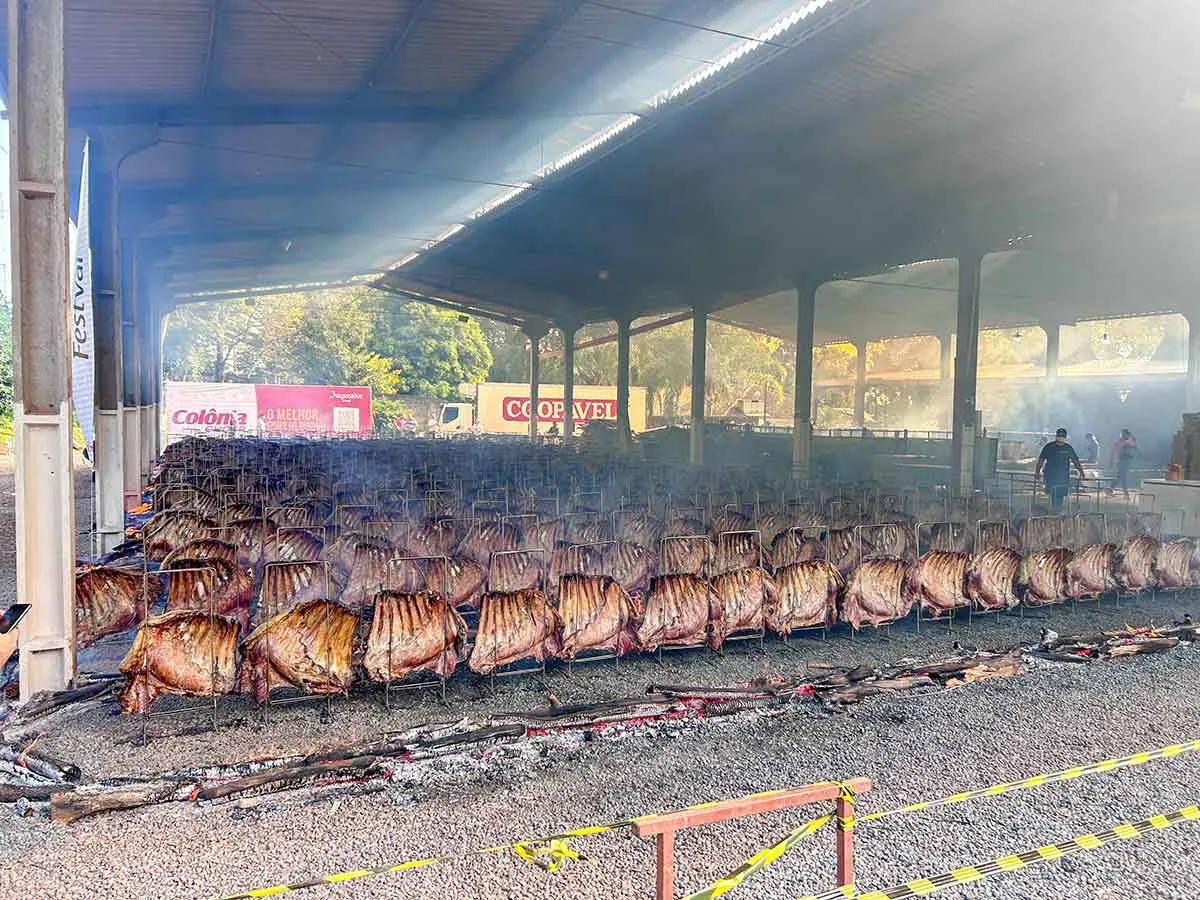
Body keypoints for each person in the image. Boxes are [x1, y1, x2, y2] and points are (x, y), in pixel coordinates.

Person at [1036, 428, 1085, 511]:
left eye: (1062, 436)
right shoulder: (1049, 447)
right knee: (1052, 493)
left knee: (1060, 494)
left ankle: (1057, 510)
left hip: (1063, 476)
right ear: (1056, 436)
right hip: (1050, 475)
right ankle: (1054, 509)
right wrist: (1037, 472)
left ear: (1065, 437)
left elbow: (1075, 461)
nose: (1060, 437)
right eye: (1059, 436)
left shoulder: (1068, 448)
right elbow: (1041, 460)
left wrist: (1081, 471)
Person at [1111, 429, 1138, 499]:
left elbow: (1133, 447)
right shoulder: (1122, 442)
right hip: (1122, 461)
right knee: (1122, 476)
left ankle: (1112, 489)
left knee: (1121, 477)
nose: (1123, 435)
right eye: (1123, 434)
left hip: (1124, 461)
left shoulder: (1125, 441)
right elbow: (1119, 452)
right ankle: (1124, 493)